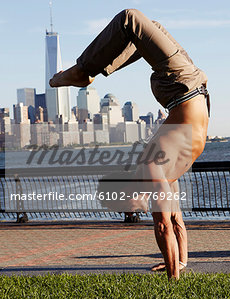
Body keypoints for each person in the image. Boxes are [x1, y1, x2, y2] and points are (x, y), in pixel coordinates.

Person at [50, 9, 210, 280]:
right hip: (187, 86)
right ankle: (92, 70)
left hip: (180, 84)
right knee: (147, 30)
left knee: (131, 19)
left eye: (121, 206)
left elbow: (163, 228)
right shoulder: (163, 172)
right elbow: (176, 222)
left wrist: (172, 279)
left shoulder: (150, 167)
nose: (128, 213)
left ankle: (82, 71)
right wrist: (180, 263)